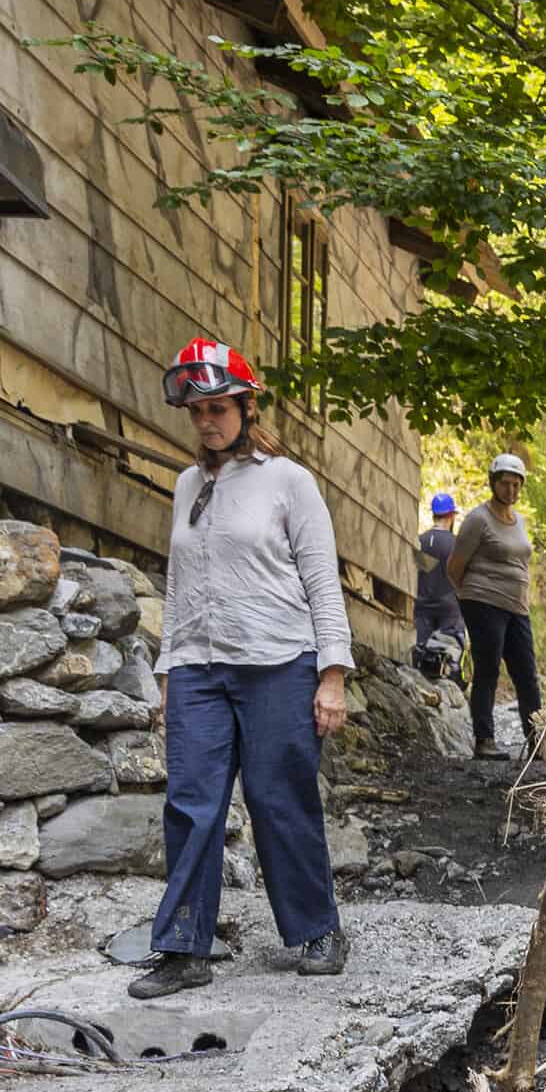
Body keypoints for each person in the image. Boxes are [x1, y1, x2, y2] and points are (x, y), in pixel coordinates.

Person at [134, 337, 351, 1001]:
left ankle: (318, 930)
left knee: (276, 794)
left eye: (219, 406)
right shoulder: (187, 485)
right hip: (199, 667)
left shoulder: (289, 481)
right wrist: (169, 668)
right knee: (191, 802)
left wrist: (333, 672)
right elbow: (179, 582)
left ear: (246, 407)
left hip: (278, 662)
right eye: (197, 410)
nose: (207, 420)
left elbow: (321, 576)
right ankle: (183, 948)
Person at [451, 453, 540, 760]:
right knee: (488, 669)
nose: (511, 491)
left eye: (516, 485)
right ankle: (484, 740)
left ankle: (537, 742)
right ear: (493, 483)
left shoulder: (520, 521)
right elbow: (455, 565)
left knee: (526, 673)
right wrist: (469, 597)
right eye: (505, 484)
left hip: (517, 606)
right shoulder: (478, 518)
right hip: (483, 601)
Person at [411, 491, 462, 679]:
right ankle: (450, 685)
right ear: (450, 516)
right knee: (449, 652)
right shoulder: (456, 543)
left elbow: (422, 570)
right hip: (449, 606)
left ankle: (420, 684)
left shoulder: (420, 541)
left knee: (421, 650)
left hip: (422, 603)